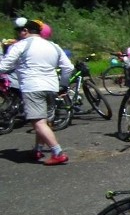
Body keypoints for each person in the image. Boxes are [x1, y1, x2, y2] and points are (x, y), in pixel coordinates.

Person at [0, 19, 74, 165]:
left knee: (38, 122)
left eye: (20, 31)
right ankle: (38, 150)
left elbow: (5, 65)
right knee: (44, 121)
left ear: (26, 31)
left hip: (32, 86)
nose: (19, 34)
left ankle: (57, 152)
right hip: (52, 87)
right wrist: (63, 85)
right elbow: (68, 67)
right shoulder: (53, 46)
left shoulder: (21, 45)